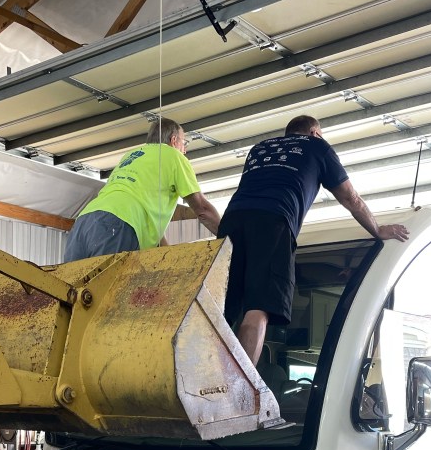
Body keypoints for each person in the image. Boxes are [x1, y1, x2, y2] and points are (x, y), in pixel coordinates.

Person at [218, 115, 410, 364]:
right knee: (259, 306)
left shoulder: (260, 148)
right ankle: (239, 385)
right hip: (273, 221)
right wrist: (378, 229)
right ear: (315, 133)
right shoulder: (318, 146)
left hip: (231, 221)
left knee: (221, 307)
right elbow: (350, 198)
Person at [63, 117, 221, 261]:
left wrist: (170, 259)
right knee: (111, 283)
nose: (184, 150)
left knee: (71, 283)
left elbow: (152, 231)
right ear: (174, 140)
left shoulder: (131, 156)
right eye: (184, 143)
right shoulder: (174, 156)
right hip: (117, 224)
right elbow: (203, 210)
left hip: (83, 222)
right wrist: (230, 238)